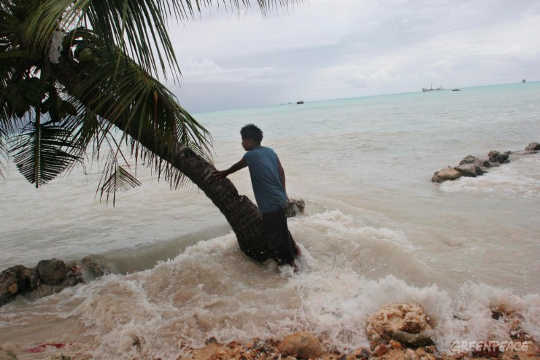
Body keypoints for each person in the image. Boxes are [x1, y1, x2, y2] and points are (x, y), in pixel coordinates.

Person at [213, 124, 300, 268]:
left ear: (251, 140)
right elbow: (281, 171)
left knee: (274, 235)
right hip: (280, 198)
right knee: (282, 229)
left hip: (268, 203)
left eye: (243, 140)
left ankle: (289, 264)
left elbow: (237, 166)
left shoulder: (250, 155)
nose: (242, 143)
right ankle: (295, 252)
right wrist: (283, 193)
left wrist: (224, 173)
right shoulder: (271, 151)